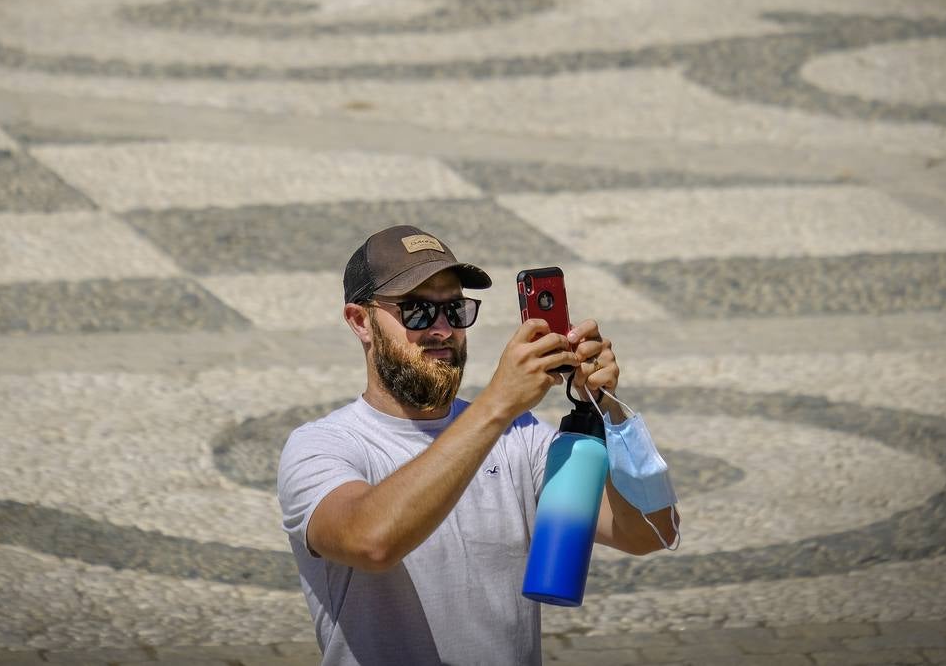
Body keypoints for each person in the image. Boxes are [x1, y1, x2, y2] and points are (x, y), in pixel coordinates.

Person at [277, 225, 680, 666]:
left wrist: (609, 412)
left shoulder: (520, 436)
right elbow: (371, 542)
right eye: (417, 311)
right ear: (360, 321)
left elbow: (649, 533)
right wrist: (497, 404)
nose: (443, 329)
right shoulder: (323, 446)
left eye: (454, 309)